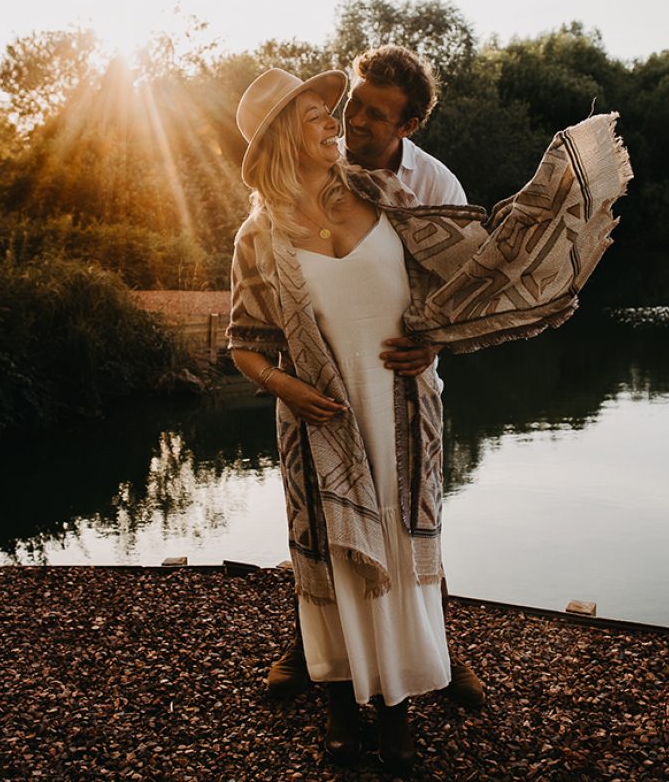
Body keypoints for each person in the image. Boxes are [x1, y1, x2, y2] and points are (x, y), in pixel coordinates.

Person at [227, 66, 631, 769]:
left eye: (340, 111)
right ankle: (335, 702)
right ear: (281, 139)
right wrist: (288, 389)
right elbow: (244, 342)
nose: (338, 121)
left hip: (402, 409)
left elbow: (480, 274)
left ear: (407, 124)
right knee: (328, 562)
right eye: (318, 114)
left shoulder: (396, 195)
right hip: (320, 426)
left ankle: (401, 706)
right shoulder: (257, 239)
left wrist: (559, 195)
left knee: (410, 559)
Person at [266, 45, 486, 712]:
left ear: (407, 127)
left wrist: (432, 340)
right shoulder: (307, 169)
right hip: (322, 380)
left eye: (374, 115)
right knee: (319, 511)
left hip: (400, 382)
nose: (353, 121)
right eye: (352, 105)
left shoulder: (436, 189)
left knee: (413, 522)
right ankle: (309, 651)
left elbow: (467, 290)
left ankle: (437, 654)